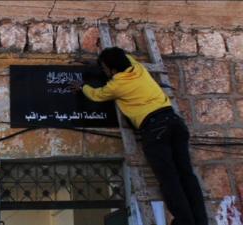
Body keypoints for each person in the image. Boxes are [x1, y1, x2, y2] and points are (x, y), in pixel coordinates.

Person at [70, 47, 208, 225]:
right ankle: (201, 220)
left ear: (112, 70)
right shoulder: (138, 68)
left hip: (155, 129)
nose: (104, 72)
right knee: (187, 175)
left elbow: (97, 95)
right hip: (175, 122)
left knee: (169, 179)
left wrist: (83, 86)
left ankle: (185, 221)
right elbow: (124, 57)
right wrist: (97, 64)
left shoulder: (116, 85)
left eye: (105, 68)